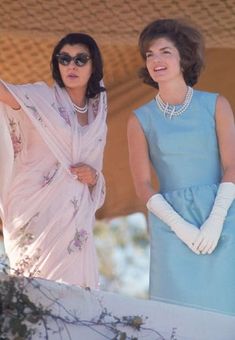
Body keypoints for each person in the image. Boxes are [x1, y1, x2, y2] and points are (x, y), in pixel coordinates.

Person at [127, 18, 235, 315]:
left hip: (223, 218)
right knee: (174, 319)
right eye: (150, 54)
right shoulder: (139, 119)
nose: (156, 60)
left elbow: (232, 166)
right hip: (171, 228)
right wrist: (180, 227)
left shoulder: (216, 104)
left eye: (165, 52)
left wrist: (215, 221)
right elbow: (142, 186)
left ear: (184, 58)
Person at [0, 33, 107, 288]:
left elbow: (95, 169)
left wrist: (94, 177)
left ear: (94, 66)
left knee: (74, 295)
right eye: (65, 58)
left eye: (81, 59)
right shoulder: (40, 97)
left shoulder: (98, 112)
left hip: (73, 214)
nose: (72, 65)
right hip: (33, 208)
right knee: (36, 290)